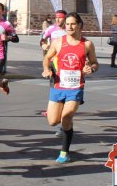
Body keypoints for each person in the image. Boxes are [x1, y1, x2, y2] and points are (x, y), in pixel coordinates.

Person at [42, 12, 98, 164]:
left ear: (80, 25)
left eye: (73, 23)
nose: (69, 26)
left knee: (66, 117)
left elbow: (94, 63)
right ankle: (68, 126)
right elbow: (47, 58)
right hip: (58, 86)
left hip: (75, 88)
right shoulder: (58, 42)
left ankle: (64, 152)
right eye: (67, 24)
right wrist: (46, 69)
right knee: (53, 121)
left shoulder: (87, 44)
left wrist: (91, 68)